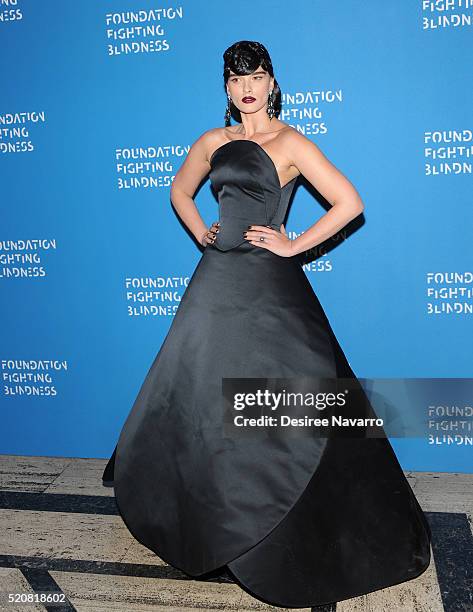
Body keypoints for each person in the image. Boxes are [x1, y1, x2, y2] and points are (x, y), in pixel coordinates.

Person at [102, 40, 431, 610]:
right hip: (214, 282)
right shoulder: (214, 141)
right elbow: (180, 189)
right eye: (236, 78)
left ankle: (279, 515)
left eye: (256, 75)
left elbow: (348, 202)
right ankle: (203, 509)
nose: (247, 86)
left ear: (272, 83)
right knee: (197, 392)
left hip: (268, 286)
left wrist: (294, 244)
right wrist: (200, 226)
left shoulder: (291, 142)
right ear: (227, 89)